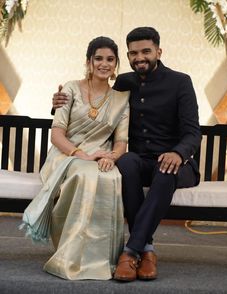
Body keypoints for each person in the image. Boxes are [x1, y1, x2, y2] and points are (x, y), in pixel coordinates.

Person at [52, 27, 201, 282]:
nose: (139, 57)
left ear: (158, 51)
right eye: (133, 53)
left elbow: (192, 132)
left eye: (146, 51)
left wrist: (178, 153)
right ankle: (147, 250)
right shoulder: (124, 82)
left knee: (165, 171)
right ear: (129, 57)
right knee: (128, 162)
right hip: (140, 160)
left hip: (177, 162)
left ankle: (133, 251)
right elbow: (98, 110)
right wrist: (57, 103)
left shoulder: (180, 81)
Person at [21, 36, 130, 280]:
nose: (104, 63)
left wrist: (111, 157)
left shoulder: (122, 100)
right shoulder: (69, 89)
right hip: (66, 154)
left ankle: (102, 259)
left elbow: (121, 142)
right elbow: (57, 134)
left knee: (110, 177)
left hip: (101, 155)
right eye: (99, 58)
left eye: (110, 59)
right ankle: (69, 255)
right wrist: (82, 155)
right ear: (89, 62)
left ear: (116, 65)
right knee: (84, 174)